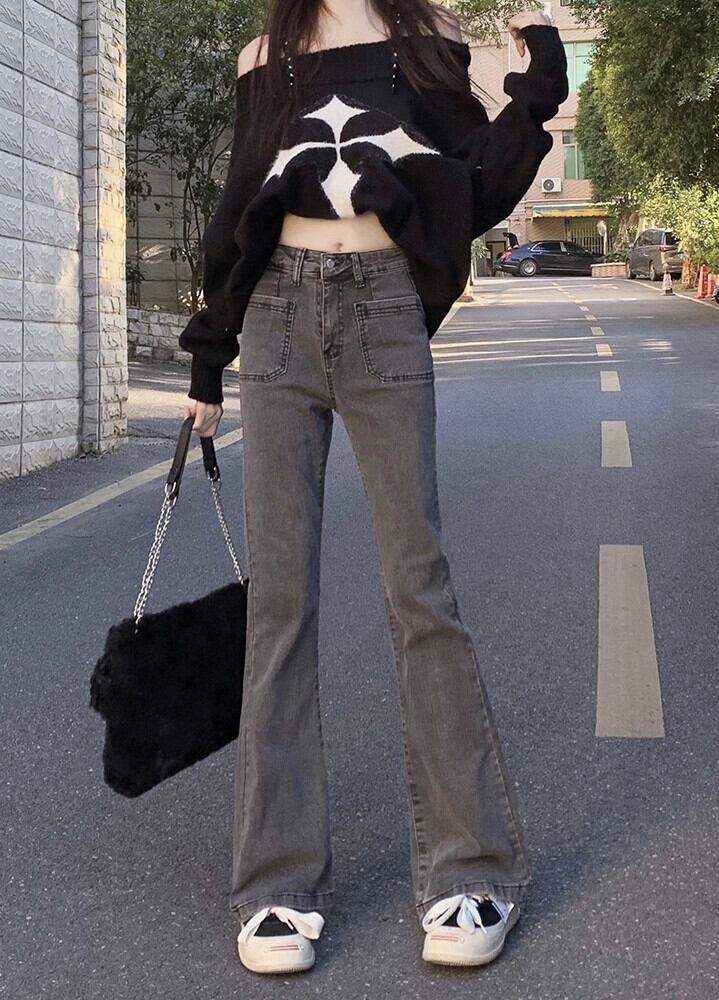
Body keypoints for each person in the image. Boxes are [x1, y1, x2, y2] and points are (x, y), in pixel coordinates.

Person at [178, 0, 568, 976]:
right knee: (280, 604)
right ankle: (276, 883)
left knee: (418, 589)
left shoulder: (425, 43)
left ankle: (469, 869)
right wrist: (207, 359)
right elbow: (240, 200)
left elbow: (472, 184)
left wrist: (538, 87)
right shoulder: (263, 55)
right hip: (276, 317)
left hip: (384, 307)